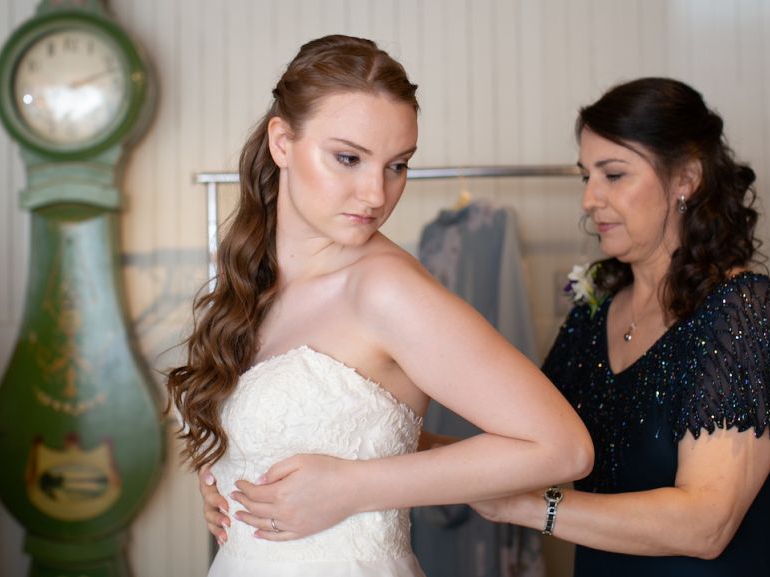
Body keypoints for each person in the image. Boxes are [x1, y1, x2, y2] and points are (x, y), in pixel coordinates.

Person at [166, 34, 593, 577]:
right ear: (281, 142)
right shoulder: (255, 281)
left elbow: (562, 448)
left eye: (398, 165)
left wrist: (353, 486)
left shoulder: (387, 290)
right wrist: (227, 480)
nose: (376, 193)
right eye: (348, 158)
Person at [468, 77, 770, 577]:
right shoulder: (594, 311)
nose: (589, 200)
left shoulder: (748, 315)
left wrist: (523, 507)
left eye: (614, 175)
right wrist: (408, 444)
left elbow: (705, 526)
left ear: (685, 178)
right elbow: (526, 446)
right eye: (586, 177)